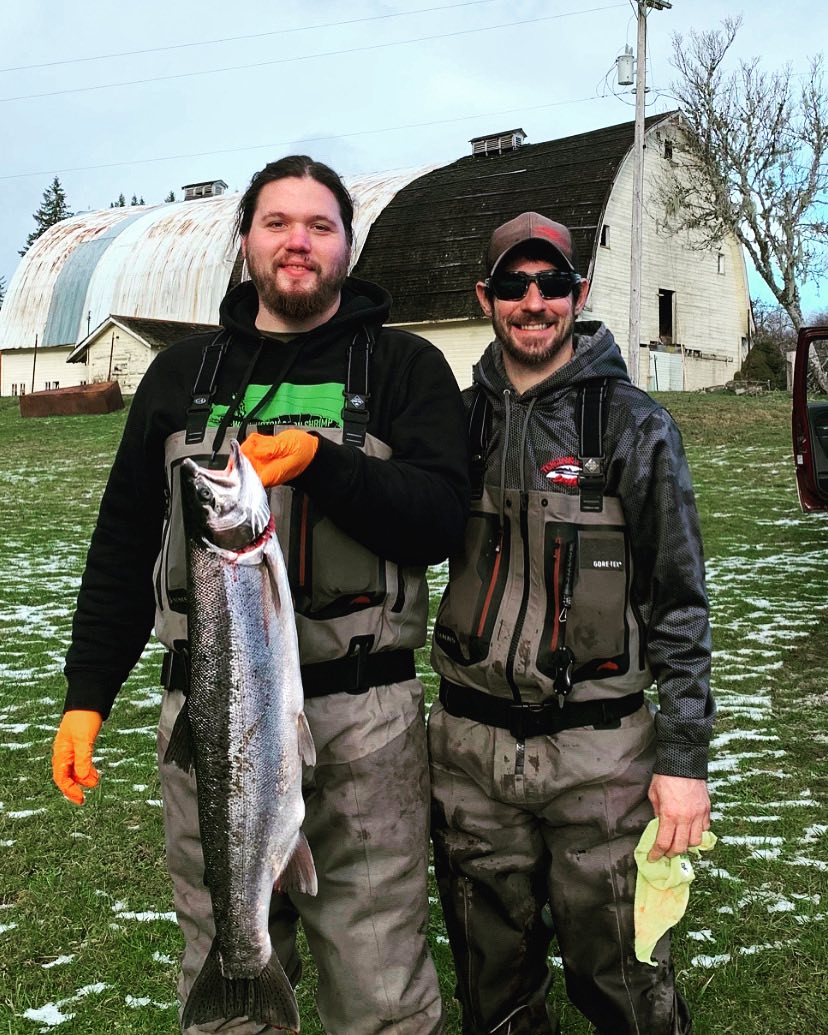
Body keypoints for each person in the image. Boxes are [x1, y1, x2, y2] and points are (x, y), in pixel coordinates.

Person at [51, 155, 470, 1035]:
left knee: (382, 986)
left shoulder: (405, 367)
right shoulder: (180, 376)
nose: (297, 242)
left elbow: (438, 520)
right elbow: (124, 541)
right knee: (225, 968)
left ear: (348, 245)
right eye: (277, 222)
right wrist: (87, 696)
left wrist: (324, 463)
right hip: (209, 718)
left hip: (365, 722)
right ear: (245, 239)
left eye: (320, 225)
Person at [428, 212, 714, 1035]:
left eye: (551, 283)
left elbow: (680, 602)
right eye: (513, 284)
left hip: (602, 759)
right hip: (470, 756)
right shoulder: (453, 424)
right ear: (485, 296)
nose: (533, 301)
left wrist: (684, 759)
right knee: (492, 991)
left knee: (625, 981)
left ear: (578, 293)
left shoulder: (634, 425)